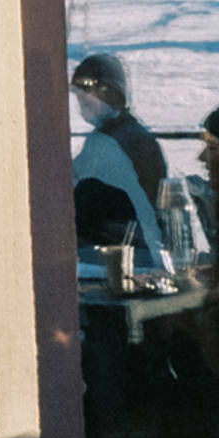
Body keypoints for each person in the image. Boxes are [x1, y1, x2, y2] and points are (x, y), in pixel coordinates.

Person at [70, 52, 173, 275]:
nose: (81, 104)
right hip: (118, 248)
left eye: (85, 95)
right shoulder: (112, 135)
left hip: (127, 255)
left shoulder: (124, 140)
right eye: (78, 97)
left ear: (109, 92)